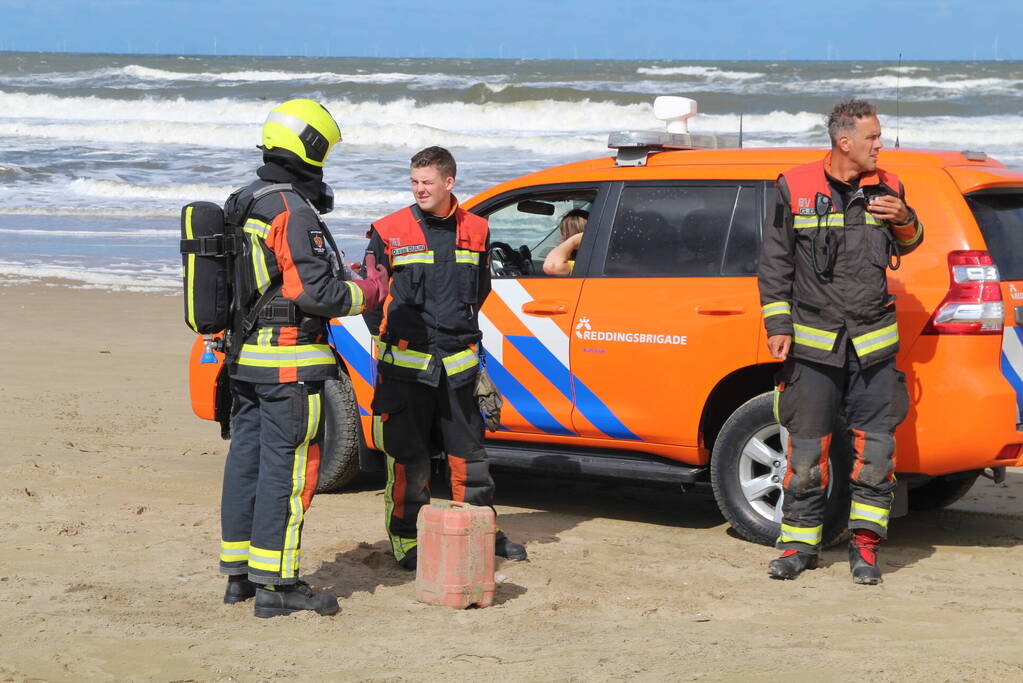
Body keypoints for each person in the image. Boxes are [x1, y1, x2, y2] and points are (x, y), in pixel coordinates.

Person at [218, 99, 388, 617]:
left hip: (246, 362)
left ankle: (241, 575)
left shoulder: (245, 200)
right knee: (289, 472)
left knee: (245, 463)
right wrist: (371, 292)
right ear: (310, 147)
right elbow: (317, 294)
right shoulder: (290, 209)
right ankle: (279, 585)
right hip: (289, 366)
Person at [757, 98, 923, 585]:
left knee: (875, 455)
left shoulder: (891, 185)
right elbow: (774, 264)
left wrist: (904, 218)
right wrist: (778, 326)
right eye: (873, 138)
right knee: (806, 453)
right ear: (844, 142)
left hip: (873, 346)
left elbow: (910, 243)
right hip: (813, 347)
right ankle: (798, 546)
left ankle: (866, 549)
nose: (881, 145)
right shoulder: (795, 186)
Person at [363, 146, 527, 570]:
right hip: (405, 372)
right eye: (415, 182)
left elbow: (480, 291)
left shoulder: (477, 229)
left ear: (449, 183)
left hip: (459, 367)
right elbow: (370, 298)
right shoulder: (388, 230)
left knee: (470, 459)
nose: (419, 189)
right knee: (408, 461)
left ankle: (480, 530)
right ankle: (406, 540)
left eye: (427, 182)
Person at [543, 208, 588, 275]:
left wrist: (573, 241)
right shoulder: (594, 262)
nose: (561, 238)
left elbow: (551, 266)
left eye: (562, 233)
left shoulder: (579, 266)